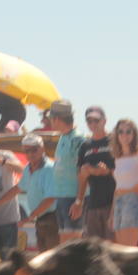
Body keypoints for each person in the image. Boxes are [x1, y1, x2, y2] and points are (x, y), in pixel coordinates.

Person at [71, 105, 115, 240]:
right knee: (93, 248)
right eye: (89, 121)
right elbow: (81, 177)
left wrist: (105, 171)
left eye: (96, 120)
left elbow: (123, 170)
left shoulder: (114, 141)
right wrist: (79, 201)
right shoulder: (85, 146)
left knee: (114, 246)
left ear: (105, 121)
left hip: (113, 203)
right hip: (93, 203)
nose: (93, 124)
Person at [46, 100, 85, 241]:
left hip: (72, 198)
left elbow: (83, 172)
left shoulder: (78, 139)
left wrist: (79, 201)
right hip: (62, 197)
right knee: (64, 245)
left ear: (56, 119)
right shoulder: (63, 137)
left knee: (73, 245)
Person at [109, 119, 138, 245]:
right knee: (121, 249)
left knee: (129, 249)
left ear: (134, 134)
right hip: (118, 202)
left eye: (128, 131)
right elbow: (117, 187)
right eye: (120, 132)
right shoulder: (118, 158)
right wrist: (111, 213)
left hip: (133, 200)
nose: (124, 135)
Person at [18, 133, 59, 250]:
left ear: (42, 149)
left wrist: (29, 218)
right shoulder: (28, 168)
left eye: (34, 150)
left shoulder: (49, 168)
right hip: (40, 219)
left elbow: (51, 198)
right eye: (27, 151)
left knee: (51, 258)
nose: (30, 154)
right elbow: (19, 188)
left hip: (52, 219)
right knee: (43, 257)